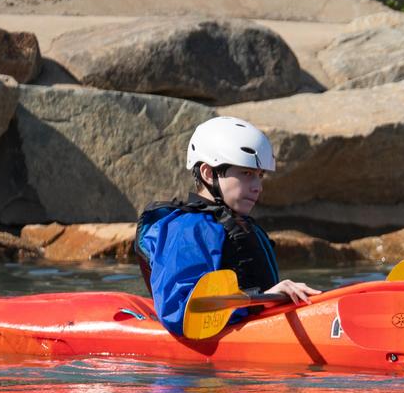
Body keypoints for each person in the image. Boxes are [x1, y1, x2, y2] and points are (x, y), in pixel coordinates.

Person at [136, 116, 319, 335]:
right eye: (246, 174)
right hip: (206, 361)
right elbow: (180, 312)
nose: (258, 187)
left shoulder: (241, 225)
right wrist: (264, 300)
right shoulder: (189, 230)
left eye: (260, 176)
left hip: (255, 328)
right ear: (207, 172)